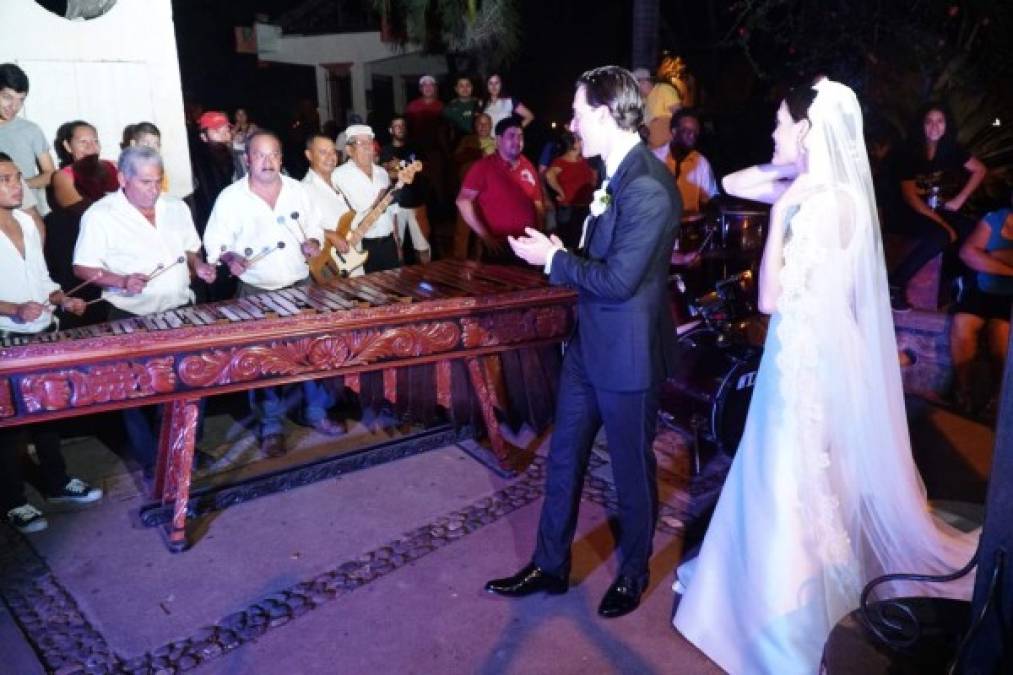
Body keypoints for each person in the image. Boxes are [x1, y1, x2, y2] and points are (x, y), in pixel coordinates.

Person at [672, 79, 978, 675]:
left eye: (781, 124)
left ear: (809, 130)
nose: (772, 133)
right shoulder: (846, 195)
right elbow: (735, 184)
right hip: (826, 353)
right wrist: (795, 171)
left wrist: (786, 201)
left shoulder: (811, 205)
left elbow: (767, 300)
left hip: (799, 358)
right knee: (810, 473)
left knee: (784, 472)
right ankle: (791, 588)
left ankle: (776, 617)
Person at [488, 66, 680, 619]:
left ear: (602, 113)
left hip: (628, 357)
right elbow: (601, 262)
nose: (570, 123)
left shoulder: (646, 184)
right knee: (564, 459)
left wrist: (553, 259)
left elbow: (619, 281)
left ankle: (633, 571)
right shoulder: (612, 175)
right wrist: (561, 249)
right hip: (587, 348)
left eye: (577, 113)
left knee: (630, 471)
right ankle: (549, 565)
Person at [73, 146, 217, 479]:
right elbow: (83, 266)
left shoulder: (175, 206)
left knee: (191, 382)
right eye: (145, 182)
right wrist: (120, 279)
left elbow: (189, 248)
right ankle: (153, 460)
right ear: (123, 179)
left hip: (181, 310)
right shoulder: (101, 214)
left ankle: (186, 448)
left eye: (158, 181)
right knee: (139, 393)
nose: (154, 190)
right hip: (131, 316)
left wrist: (200, 265)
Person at [203, 131, 336, 456]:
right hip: (255, 290)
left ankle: (317, 412)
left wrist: (314, 244)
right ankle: (271, 426)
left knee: (312, 353)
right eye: (259, 155)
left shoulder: (298, 192)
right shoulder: (231, 198)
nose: (267, 161)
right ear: (246, 159)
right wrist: (230, 257)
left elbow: (316, 228)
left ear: (281, 158)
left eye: (273, 154)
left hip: (300, 286)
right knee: (264, 362)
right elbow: (215, 243)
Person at [0, 151, 103, 533]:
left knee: (47, 413)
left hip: (41, 330)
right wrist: (12, 307)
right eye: (5, 179)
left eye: (16, 177)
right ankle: (13, 501)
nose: (16, 185)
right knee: (8, 426)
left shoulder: (28, 222)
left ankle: (57, 482)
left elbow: (42, 279)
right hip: (6, 337)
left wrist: (62, 298)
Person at [888, 103, 987, 311]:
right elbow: (910, 198)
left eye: (940, 121)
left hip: (930, 209)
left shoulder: (949, 148)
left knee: (972, 230)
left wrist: (959, 200)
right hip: (902, 211)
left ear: (947, 124)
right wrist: (945, 224)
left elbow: (980, 170)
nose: (935, 126)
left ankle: (961, 285)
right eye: (929, 121)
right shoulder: (907, 151)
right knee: (941, 235)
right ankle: (894, 284)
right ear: (921, 125)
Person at [950, 199, 1013, 418]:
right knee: (962, 323)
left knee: (1001, 331)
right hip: (982, 289)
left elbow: (986, 255)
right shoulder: (995, 218)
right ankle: (962, 391)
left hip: (1009, 296)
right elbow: (967, 254)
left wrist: (989, 257)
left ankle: (1000, 397)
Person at [456, 116, 544, 263]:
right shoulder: (483, 167)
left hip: (527, 247)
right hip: (498, 248)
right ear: (498, 140)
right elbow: (463, 201)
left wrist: (540, 236)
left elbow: (537, 204)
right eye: (511, 136)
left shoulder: (528, 166)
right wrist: (485, 236)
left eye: (520, 136)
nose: (517, 141)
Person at [332, 124, 401, 273]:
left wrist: (397, 242)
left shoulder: (382, 173)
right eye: (361, 143)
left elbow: (392, 212)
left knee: (395, 290)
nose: (368, 147)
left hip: (388, 243)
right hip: (361, 245)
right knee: (369, 292)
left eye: (369, 142)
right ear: (349, 150)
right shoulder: (338, 176)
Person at [0, 64, 57, 215]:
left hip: (29, 215)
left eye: (21, 100)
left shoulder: (31, 130)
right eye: (7, 97)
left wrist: (21, 184)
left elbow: (50, 174)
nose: (14, 106)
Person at [380, 115, 432, 264]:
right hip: (395, 206)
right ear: (391, 130)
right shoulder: (386, 150)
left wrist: (400, 164)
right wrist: (406, 168)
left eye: (403, 125)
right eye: (397, 126)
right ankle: (400, 282)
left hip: (416, 203)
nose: (400, 128)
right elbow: (385, 174)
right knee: (397, 248)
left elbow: (425, 168)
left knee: (423, 247)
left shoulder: (415, 147)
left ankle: (427, 278)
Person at [544, 131, 597, 249]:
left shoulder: (584, 160)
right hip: (569, 208)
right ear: (573, 143)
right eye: (579, 140)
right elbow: (548, 175)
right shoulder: (561, 161)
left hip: (585, 207)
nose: (582, 142)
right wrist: (561, 192)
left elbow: (593, 176)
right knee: (569, 243)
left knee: (582, 241)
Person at [51, 120, 118, 210]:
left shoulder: (114, 166)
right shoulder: (64, 177)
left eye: (95, 141)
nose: (91, 147)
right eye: (83, 142)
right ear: (67, 146)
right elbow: (82, 213)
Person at [662, 109, 718, 215]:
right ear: (674, 132)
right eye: (687, 131)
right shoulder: (655, 158)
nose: (692, 136)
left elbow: (709, 199)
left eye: (695, 133)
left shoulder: (702, 163)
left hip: (689, 226)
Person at [633, 66, 681, 160]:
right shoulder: (643, 101)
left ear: (643, 82)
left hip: (668, 151)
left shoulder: (663, 89)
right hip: (653, 152)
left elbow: (679, 115)